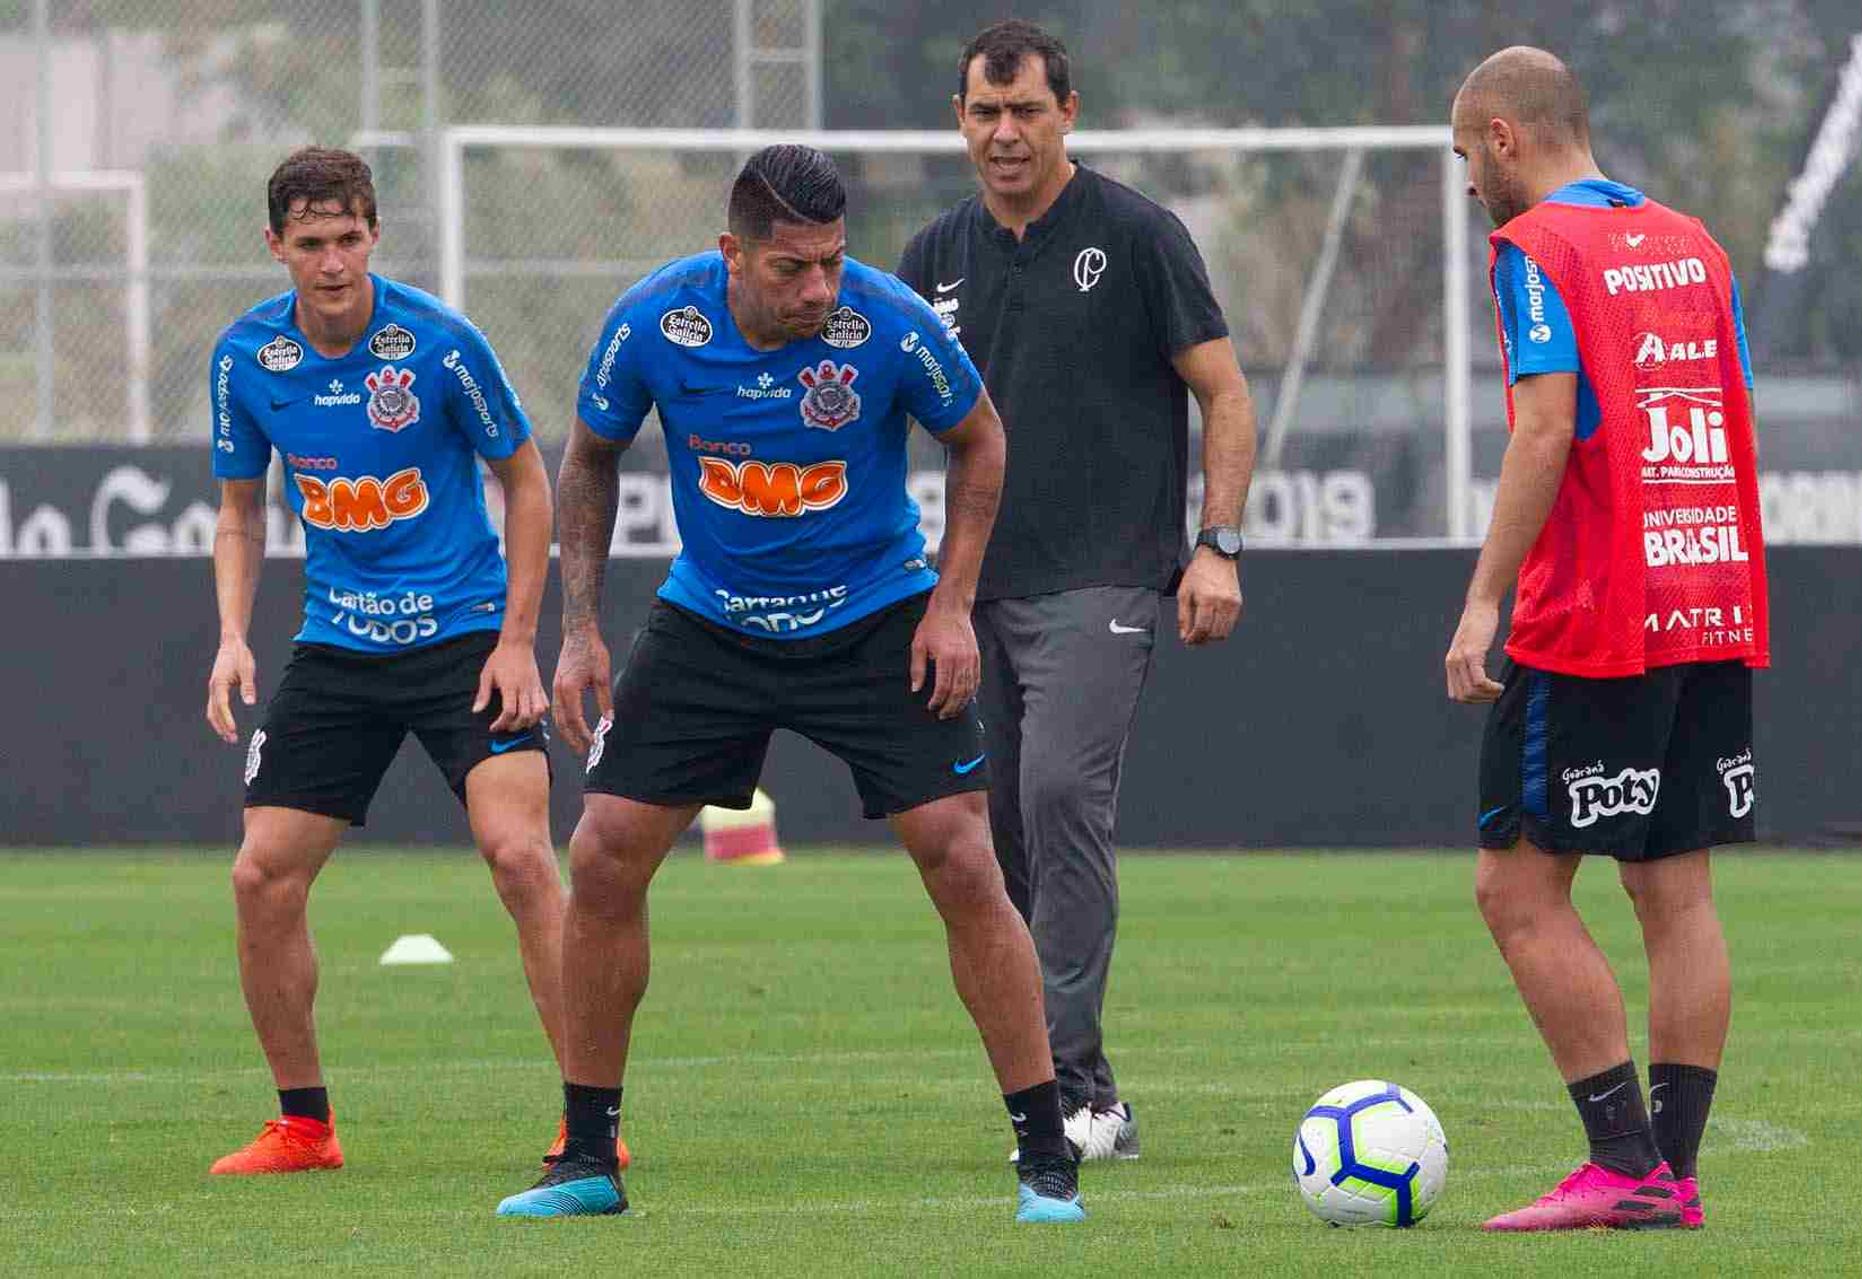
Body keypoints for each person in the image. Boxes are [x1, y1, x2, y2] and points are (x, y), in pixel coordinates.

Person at [494, 145, 1086, 1224]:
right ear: (731, 254)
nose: (818, 289)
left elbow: (981, 439)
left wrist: (951, 602)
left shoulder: (891, 321)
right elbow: (588, 458)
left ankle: (1046, 1153)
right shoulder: (652, 324)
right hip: (712, 619)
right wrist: (576, 632)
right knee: (602, 851)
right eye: (790, 269)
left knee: (961, 854)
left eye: (830, 263)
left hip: (873, 615)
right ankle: (585, 1154)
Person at [203, 146, 618, 1174]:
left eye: (349, 239)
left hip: (468, 639)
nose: (333, 262)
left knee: (520, 854)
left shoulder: (440, 344)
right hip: (339, 645)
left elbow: (526, 484)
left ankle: (591, 1123)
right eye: (311, 244)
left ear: (374, 234)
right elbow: (241, 515)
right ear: (276, 247)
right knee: (261, 876)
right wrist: (228, 637)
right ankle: (304, 1124)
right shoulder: (245, 358)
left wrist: (521, 639)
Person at [896, 19, 1255, 1161]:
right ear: (960, 119)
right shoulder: (930, 256)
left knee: (1059, 799)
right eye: (985, 113)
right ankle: (1050, 1083)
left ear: (1070, 114)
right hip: (967, 593)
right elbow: (870, 411)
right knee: (996, 839)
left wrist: (1219, 546)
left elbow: (1227, 397)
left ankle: (1080, 1094)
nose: (1005, 133)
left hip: (1102, 576)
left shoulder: (1139, 236)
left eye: (1027, 112)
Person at [1443, 48, 1768, 1231]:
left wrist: (1485, 600)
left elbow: (1544, 432)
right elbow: (1731, 411)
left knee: (1516, 889)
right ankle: (1667, 1175)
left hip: (1594, 616)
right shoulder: (1698, 243)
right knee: (1675, 888)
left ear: (1503, 137)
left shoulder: (1536, 250)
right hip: (1710, 597)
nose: (1470, 181)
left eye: (1465, 154)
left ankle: (1625, 1162)